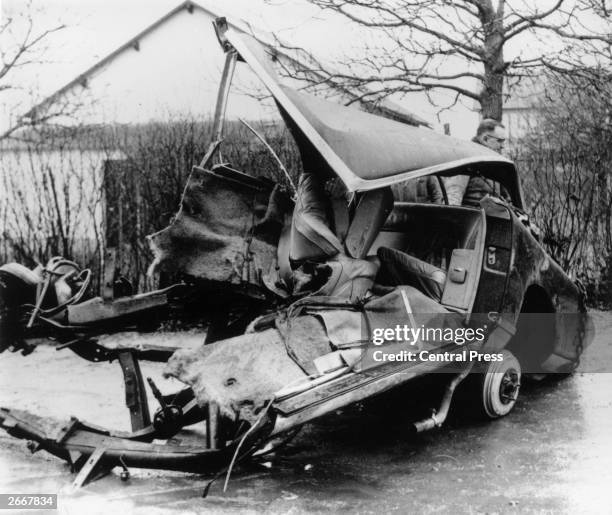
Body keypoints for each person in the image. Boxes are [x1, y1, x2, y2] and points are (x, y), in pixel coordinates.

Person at [444, 118, 509, 206]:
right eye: (500, 141)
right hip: (472, 217)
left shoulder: (494, 162)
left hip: (492, 217)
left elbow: (505, 198)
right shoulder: (466, 159)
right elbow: (453, 197)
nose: (502, 146)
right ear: (485, 139)